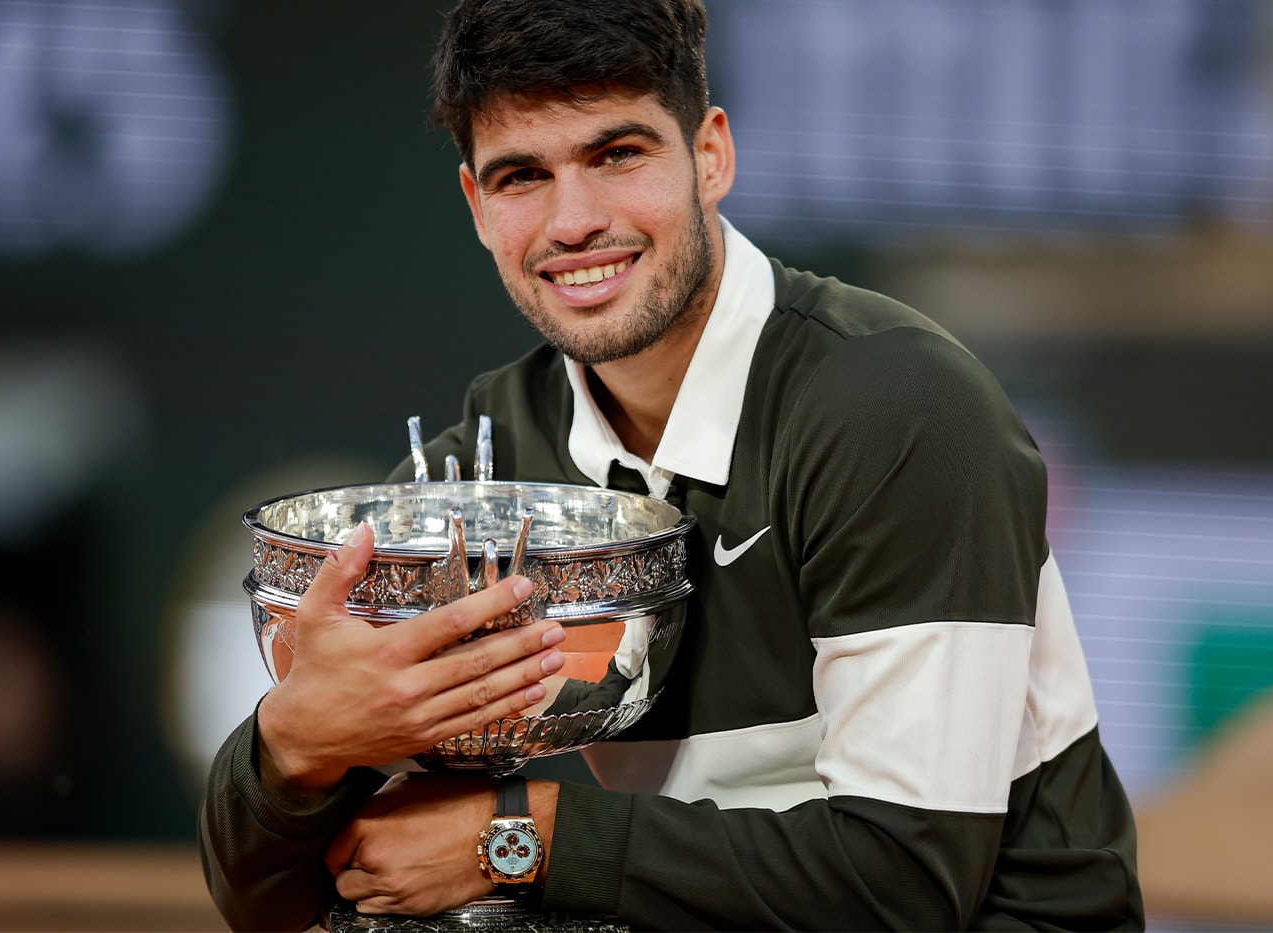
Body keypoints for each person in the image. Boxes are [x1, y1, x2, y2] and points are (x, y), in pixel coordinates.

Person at [199, 1, 1146, 929]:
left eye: (617, 154)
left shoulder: (897, 406)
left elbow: (907, 885)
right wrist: (296, 744)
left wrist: (517, 837)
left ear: (711, 155)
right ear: (477, 208)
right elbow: (272, 904)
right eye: (522, 176)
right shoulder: (496, 460)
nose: (574, 222)